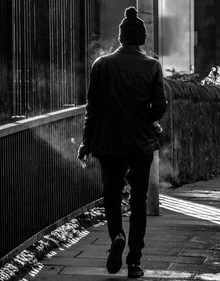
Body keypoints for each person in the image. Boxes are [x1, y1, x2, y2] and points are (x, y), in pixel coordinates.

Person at [77, 6, 167, 279]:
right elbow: (160, 107)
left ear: (120, 38)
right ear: (141, 38)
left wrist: (86, 143)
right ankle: (135, 262)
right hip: (140, 144)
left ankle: (117, 235)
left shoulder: (101, 65)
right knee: (138, 201)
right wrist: (146, 118)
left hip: (109, 142)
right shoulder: (152, 66)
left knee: (112, 195)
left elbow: (92, 109)